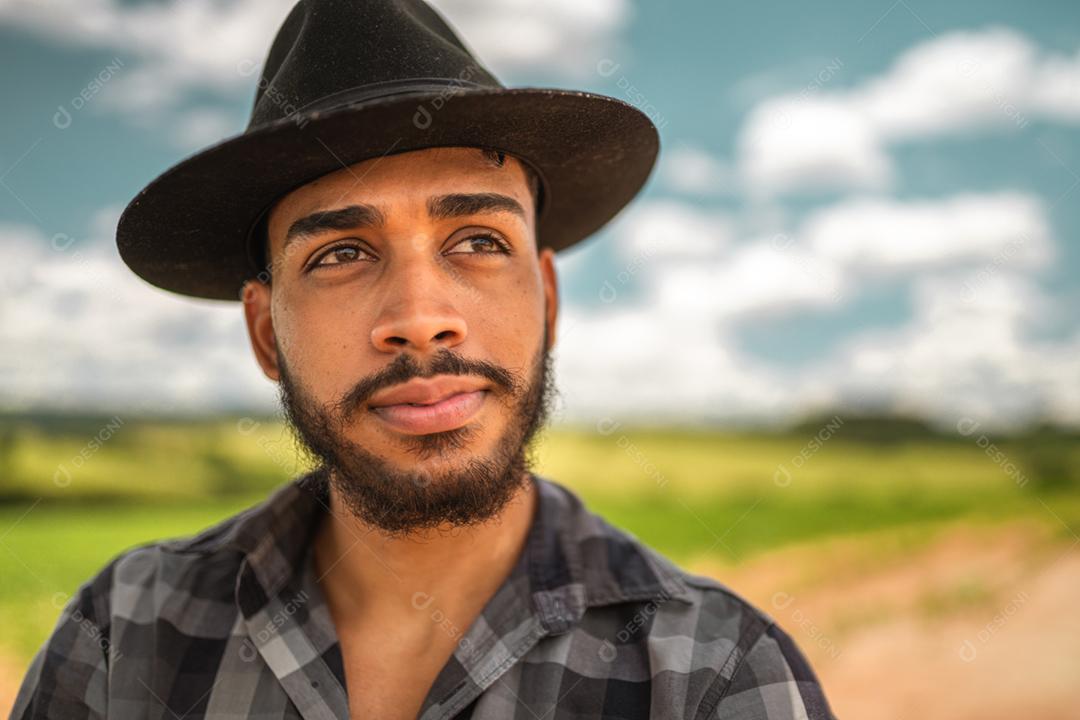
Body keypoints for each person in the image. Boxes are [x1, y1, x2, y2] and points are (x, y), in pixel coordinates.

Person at [11, 0, 837, 718]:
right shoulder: (125, 636)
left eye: (478, 240)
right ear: (265, 332)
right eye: (339, 254)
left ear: (546, 298)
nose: (420, 320)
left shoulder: (714, 678)